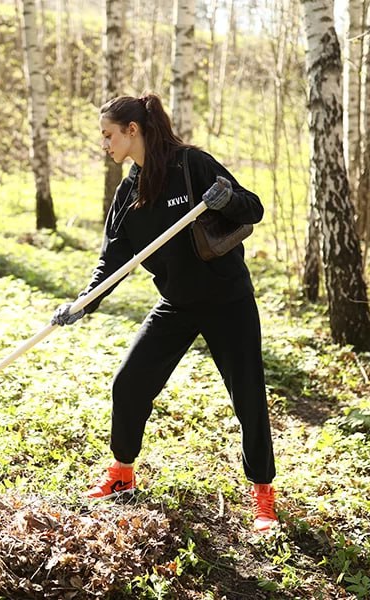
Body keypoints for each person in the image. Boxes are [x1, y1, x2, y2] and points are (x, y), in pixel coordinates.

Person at [52, 93, 277, 531]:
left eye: (108, 135)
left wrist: (224, 198)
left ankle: (263, 497)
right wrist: (82, 303)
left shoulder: (191, 164)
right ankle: (121, 475)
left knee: (248, 396)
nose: (105, 144)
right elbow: (112, 261)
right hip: (177, 302)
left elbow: (253, 208)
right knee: (129, 382)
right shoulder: (129, 193)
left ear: (132, 130)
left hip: (228, 300)